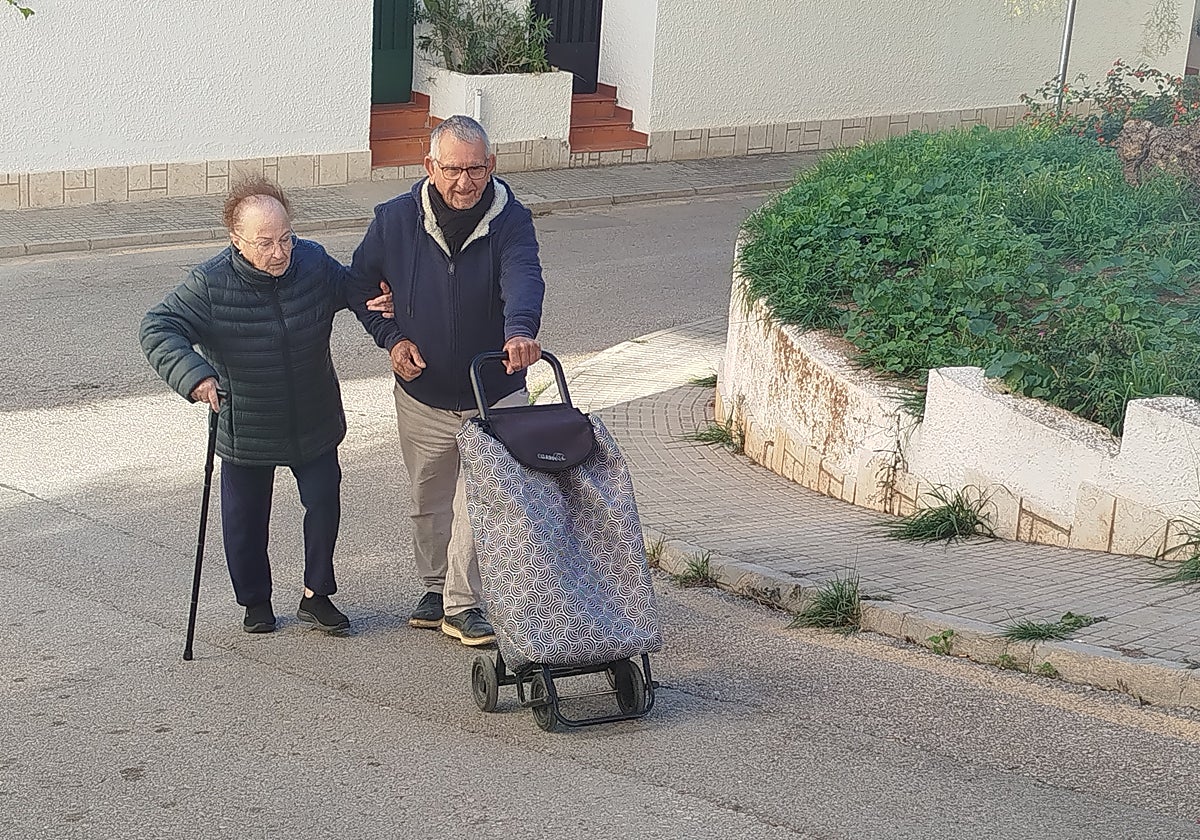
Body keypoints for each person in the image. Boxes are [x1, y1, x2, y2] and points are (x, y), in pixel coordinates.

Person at [140, 178, 392, 636]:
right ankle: (255, 601)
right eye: (265, 243)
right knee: (245, 522)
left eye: (285, 238)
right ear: (236, 242)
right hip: (246, 422)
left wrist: (380, 300)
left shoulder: (311, 262)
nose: (279, 253)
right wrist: (195, 375)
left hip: (312, 417)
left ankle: (317, 595)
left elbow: (352, 290)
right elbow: (158, 326)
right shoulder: (210, 283)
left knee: (323, 505)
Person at [350, 115, 545, 647]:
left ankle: (463, 604)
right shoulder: (394, 220)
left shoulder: (512, 220)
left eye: (475, 169)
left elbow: (523, 277)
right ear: (430, 166)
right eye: (453, 170)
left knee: (479, 500)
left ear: (493, 165)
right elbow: (359, 283)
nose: (465, 183)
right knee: (429, 499)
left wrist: (521, 332)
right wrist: (390, 337)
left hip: (495, 391)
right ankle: (436, 591)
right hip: (424, 393)